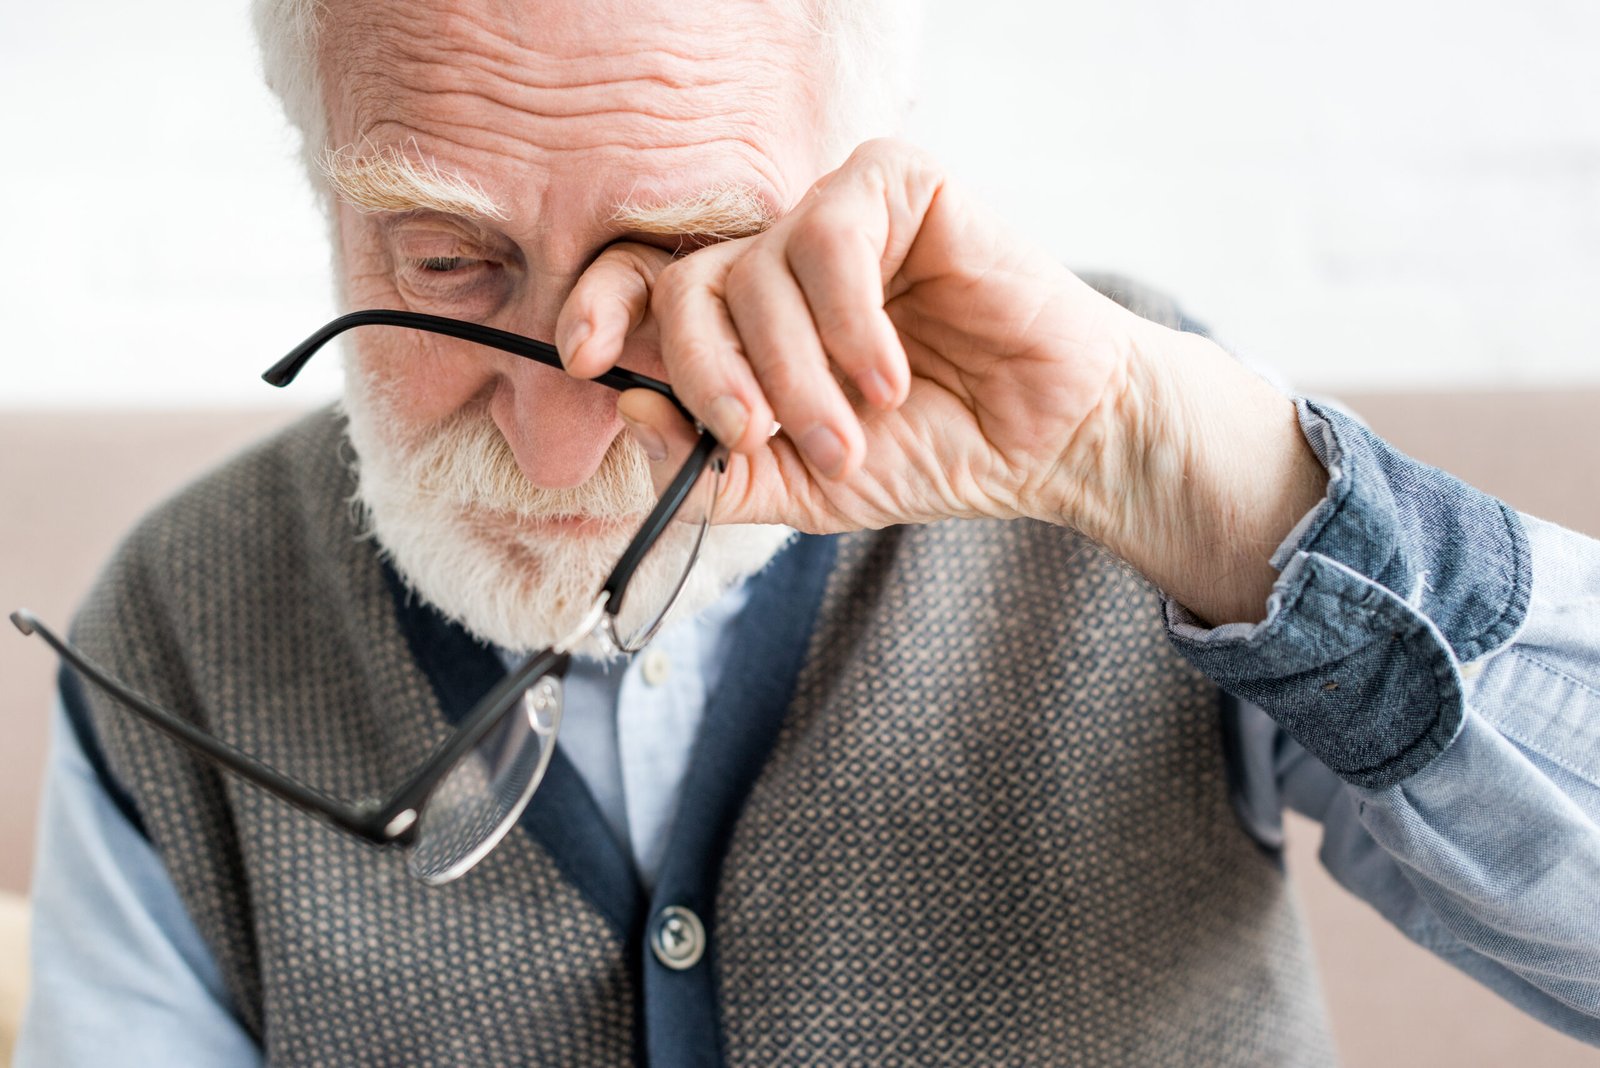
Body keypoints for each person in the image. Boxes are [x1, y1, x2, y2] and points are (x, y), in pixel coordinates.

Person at [14, 0, 1600, 1063]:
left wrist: (1177, 474)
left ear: (856, 172)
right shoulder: (176, 630)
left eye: (689, 252)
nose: (569, 434)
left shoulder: (1147, 472)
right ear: (318, 187)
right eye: (443, 260)